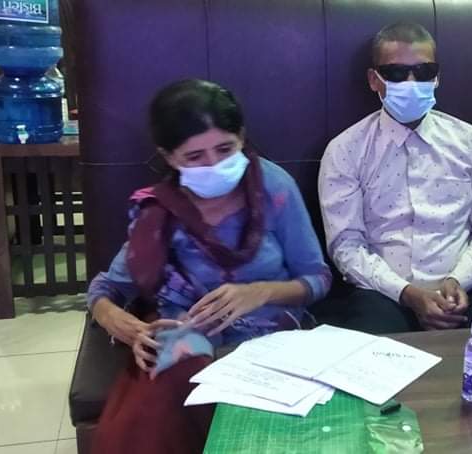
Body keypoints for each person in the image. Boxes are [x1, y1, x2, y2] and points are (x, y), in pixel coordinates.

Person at [86, 79, 332, 453]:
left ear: (242, 137)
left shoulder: (274, 188)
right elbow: (106, 290)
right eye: (195, 157)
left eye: (225, 149)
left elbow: (318, 278)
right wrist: (116, 321)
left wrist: (260, 292)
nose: (214, 165)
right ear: (169, 157)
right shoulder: (160, 213)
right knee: (164, 404)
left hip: (269, 337)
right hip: (186, 341)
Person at [317, 22, 472, 334]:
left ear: (437, 77)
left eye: (423, 72)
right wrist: (408, 294)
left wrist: (458, 280)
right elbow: (346, 246)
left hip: (463, 289)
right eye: (396, 73)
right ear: (374, 79)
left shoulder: (470, 141)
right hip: (381, 294)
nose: (411, 82)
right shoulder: (345, 150)